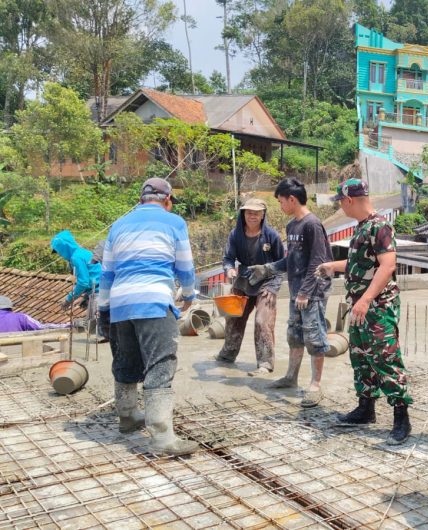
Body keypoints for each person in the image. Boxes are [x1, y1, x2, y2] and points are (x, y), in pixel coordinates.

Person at [98, 177, 198, 455]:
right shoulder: (174, 222)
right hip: (153, 300)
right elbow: (185, 267)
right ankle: (163, 436)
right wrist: (189, 294)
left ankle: (128, 416)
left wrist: (104, 308)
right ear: (167, 200)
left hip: (120, 302)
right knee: (160, 364)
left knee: (126, 360)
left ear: (141, 199)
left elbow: (107, 274)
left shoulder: (118, 226)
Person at [315, 178, 412, 445]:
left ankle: (401, 417)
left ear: (349, 200)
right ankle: (366, 407)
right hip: (360, 305)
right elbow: (359, 263)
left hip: (377, 306)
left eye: (341, 203)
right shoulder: (362, 228)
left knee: (385, 357)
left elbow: (387, 265)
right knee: (361, 356)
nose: (342, 208)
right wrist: (331, 266)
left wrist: (367, 299)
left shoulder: (380, 226)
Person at [247, 179, 333, 407]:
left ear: (292, 199)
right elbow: (291, 260)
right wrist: (268, 268)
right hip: (297, 291)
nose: (280, 206)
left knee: (314, 337)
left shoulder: (312, 224)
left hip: (312, 292)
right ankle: (291, 377)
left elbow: (319, 260)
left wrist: (306, 292)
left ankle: (315, 385)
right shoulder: (292, 226)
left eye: (281, 201)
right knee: (294, 335)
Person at [215, 198, 285, 376]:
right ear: (243, 214)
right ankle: (227, 354)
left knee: (263, 321)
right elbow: (228, 258)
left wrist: (274, 287)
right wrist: (229, 269)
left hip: (267, 283)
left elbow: (281, 264)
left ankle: (265, 362)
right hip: (243, 281)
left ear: (263, 215)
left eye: (256, 213)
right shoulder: (236, 235)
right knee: (233, 319)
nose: (252, 216)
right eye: (249, 212)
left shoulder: (272, 236)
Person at [51, 230, 106, 340]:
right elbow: (91, 277)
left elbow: (83, 282)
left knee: (97, 329)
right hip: (99, 289)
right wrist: (86, 297)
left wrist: (68, 299)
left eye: (59, 251)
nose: (60, 254)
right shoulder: (81, 253)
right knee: (91, 326)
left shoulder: (76, 257)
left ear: (64, 248)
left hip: (99, 291)